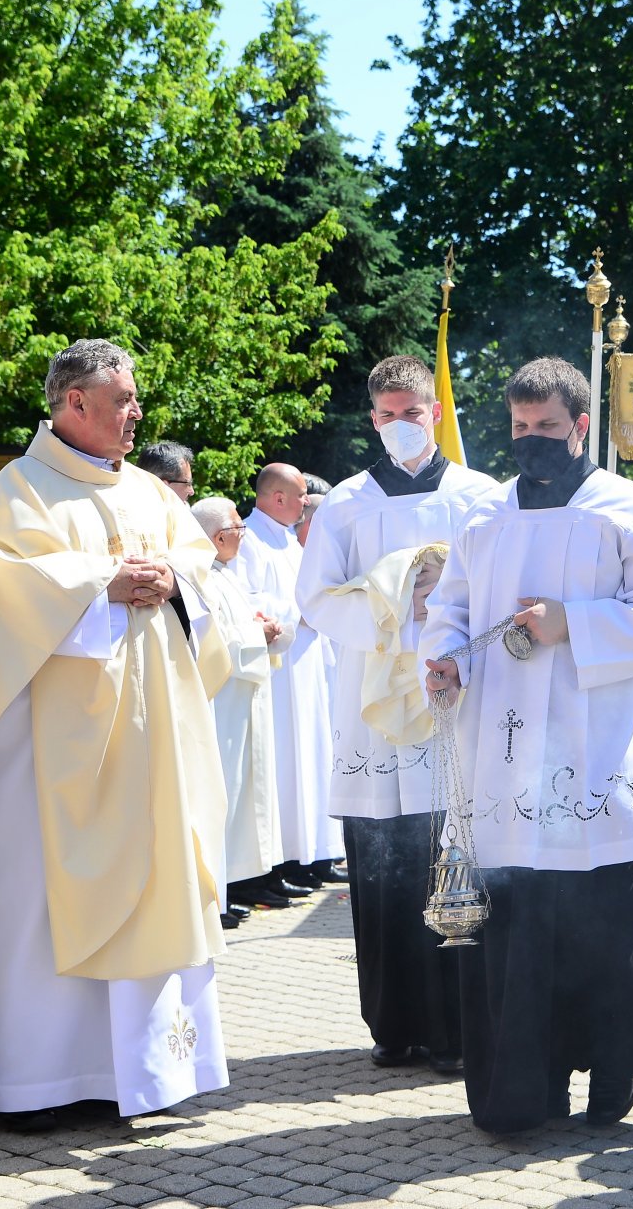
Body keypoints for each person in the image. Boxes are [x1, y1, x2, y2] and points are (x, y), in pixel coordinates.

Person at [0, 338, 230, 1133]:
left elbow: (207, 579)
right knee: (36, 901)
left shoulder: (151, 493)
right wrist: (97, 586)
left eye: (135, 399)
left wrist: (176, 583)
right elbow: (4, 593)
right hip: (48, 749)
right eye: (123, 401)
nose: (136, 413)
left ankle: (141, 1075)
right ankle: (38, 1085)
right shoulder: (18, 494)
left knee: (153, 880)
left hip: (153, 744)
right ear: (75, 403)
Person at [420, 357, 633, 1134]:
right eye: (519, 427)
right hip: (506, 757)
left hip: (598, 746)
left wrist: (570, 621)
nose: (531, 440)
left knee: (603, 926)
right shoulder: (483, 520)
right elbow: (451, 610)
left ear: (581, 426)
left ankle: (612, 1079)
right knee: (518, 922)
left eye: (546, 427)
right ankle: (525, 1088)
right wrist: (439, 661)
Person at [296, 355, 498, 1074]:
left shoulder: (480, 496)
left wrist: (445, 610)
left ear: (435, 412)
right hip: (376, 704)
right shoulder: (348, 502)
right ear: (371, 419)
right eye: (385, 415)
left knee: (455, 859)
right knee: (381, 866)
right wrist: (393, 607)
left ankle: (457, 1026)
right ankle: (394, 1023)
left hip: (453, 698)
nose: (398, 426)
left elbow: (499, 590)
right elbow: (315, 600)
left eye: (411, 413)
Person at [229, 463, 342, 902]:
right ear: (277, 498)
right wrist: (299, 613)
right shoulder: (250, 540)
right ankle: (276, 865)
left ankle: (309, 853)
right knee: (281, 767)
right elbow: (245, 600)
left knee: (308, 760)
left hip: (307, 665)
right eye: (299, 496)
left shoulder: (289, 543)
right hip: (277, 670)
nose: (304, 503)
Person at [191, 497, 286, 919]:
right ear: (218, 537)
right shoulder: (201, 578)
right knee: (222, 793)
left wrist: (259, 626)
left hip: (241, 700)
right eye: (238, 528)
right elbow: (216, 643)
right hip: (221, 702)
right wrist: (257, 632)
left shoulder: (223, 575)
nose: (243, 535)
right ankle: (218, 897)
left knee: (242, 793)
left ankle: (234, 885)